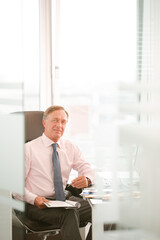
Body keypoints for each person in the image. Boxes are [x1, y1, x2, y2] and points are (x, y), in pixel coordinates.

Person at [25, 105, 95, 240]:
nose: (59, 125)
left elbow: (87, 168)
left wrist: (87, 178)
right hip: (37, 204)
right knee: (68, 213)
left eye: (63, 122)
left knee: (102, 211)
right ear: (44, 123)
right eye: (55, 120)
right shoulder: (28, 149)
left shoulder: (70, 147)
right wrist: (34, 199)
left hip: (63, 201)